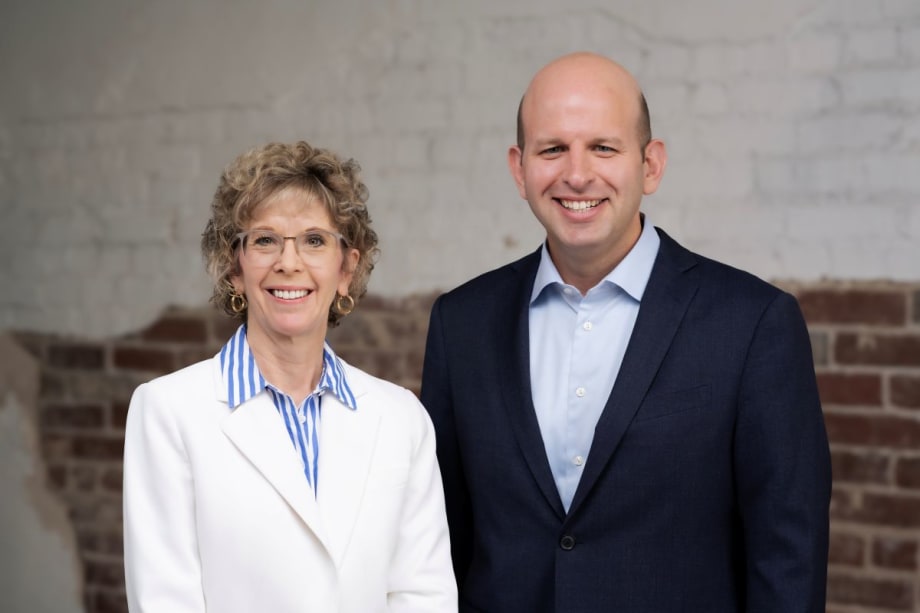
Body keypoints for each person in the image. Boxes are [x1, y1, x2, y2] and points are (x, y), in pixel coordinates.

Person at [421, 52, 831, 612]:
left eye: (603, 147)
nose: (577, 173)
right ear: (519, 170)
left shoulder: (753, 324)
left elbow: (789, 557)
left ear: (651, 164)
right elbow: (440, 545)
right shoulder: (461, 324)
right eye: (552, 149)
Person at [123, 141, 457, 612]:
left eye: (315, 240)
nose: (289, 262)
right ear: (234, 268)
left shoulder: (402, 418)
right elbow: (165, 600)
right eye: (264, 240)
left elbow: (424, 596)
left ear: (347, 269)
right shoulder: (167, 412)